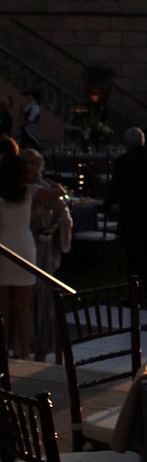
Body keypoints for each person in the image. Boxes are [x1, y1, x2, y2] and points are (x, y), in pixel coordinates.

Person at [0, 151, 54, 358]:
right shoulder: (30, 190)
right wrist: (43, 179)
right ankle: (24, 351)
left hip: (4, 245)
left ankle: (4, 351)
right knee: (23, 307)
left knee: (3, 307)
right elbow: (58, 192)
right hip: (24, 246)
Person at [105, 127, 147, 298]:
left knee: (133, 255)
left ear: (127, 143)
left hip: (132, 213)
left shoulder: (123, 161)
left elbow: (116, 187)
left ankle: (135, 290)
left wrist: (106, 206)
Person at [21, 147, 72, 360]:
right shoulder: (16, 188)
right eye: (25, 163)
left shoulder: (44, 187)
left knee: (43, 301)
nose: (29, 167)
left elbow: (64, 213)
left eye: (34, 163)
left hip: (42, 251)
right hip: (22, 246)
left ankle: (41, 347)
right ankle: (19, 347)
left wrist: (52, 229)